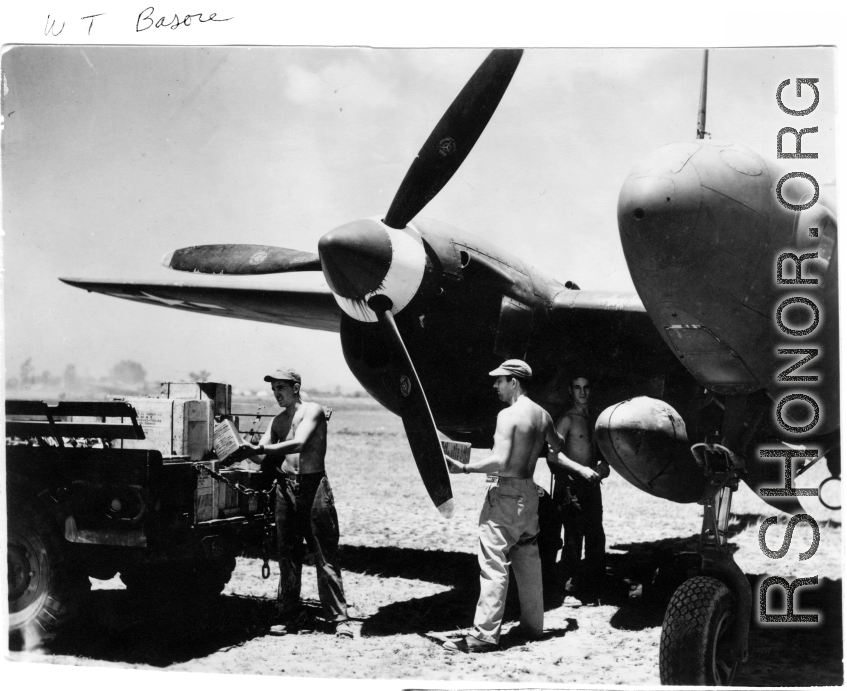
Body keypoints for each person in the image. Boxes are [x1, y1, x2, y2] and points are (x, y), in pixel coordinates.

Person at [442, 359, 566, 653]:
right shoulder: (543, 414)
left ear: (514, 382)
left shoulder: (508, 415)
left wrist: (465, 468)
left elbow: (501, 461)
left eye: (499, 380)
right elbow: (558, 444)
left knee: (494, 564)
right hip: (529, 494)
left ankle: (483, 635)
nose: (495, 385)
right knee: (528, 560)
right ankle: (534, 626)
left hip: (506, 496)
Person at [227, 367, 353, 638]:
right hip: (285, 490)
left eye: (281, 388)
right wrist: (235, 443)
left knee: (325, 555)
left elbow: (299, 443)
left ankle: (340, 619)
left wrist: (259, 449)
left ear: (295, 387)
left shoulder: (314, 411)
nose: (277, 394)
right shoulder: (278, 421)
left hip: (314, 488)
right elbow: (260, 458)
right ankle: (288, 615)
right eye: (274, 390)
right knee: (288, 555)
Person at [546, 375, 610, 606]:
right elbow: (553, 455)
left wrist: (603, 466)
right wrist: (581, 470)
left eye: (586, 387)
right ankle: (569, 587)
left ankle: (592, 587)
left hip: (591, 486)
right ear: (570, 391)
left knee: (596, 535)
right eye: (577, 388)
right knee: (573, 537)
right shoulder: (567, 420)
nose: (582, 392)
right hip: (571, 486)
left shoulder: (594, 419)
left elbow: (600, 453)